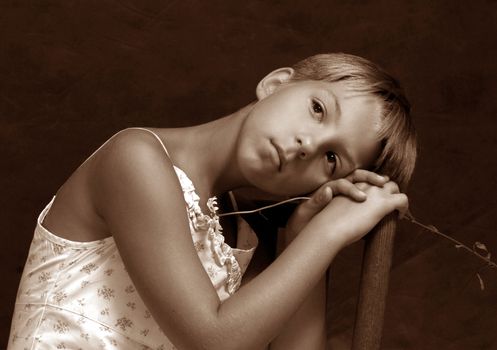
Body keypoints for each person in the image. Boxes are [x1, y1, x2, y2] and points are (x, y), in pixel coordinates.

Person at [7, 53, 416, 350]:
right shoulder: (135, 160)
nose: (307, 145)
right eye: (317, 109)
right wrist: (326, 235)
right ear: (276, 84)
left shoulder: (247, 239)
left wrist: (302, 237)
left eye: (332, 159)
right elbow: (212, 340)